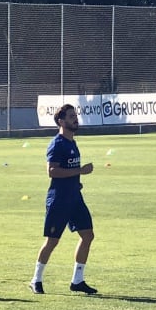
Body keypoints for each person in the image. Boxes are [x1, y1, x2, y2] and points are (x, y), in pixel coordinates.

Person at [30, 104, 98, 295]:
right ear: (61, 121)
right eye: (70, 116)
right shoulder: (57, 144)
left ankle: (77, 280)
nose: (75, 118)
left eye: (75, 115)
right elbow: (51, 171)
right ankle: (36, 279)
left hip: (75, 198)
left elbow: (67, 173)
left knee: (88, 235)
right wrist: (80, 171)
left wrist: (76, 182)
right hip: (59, 200)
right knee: (52, 241)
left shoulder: (73, 143)